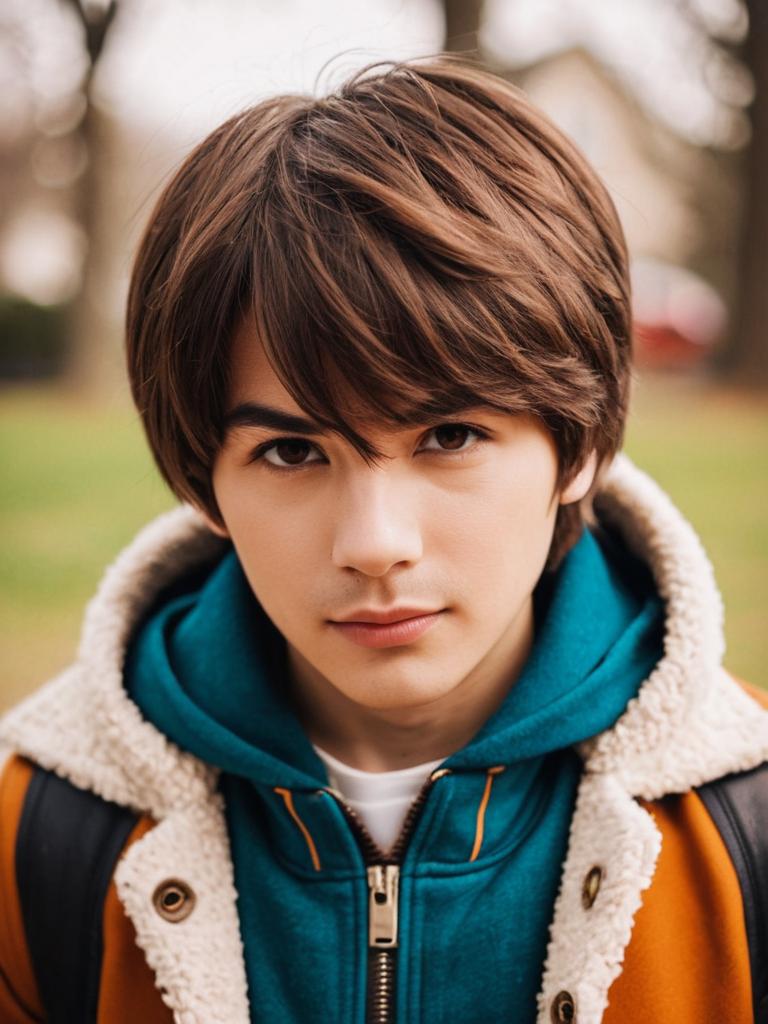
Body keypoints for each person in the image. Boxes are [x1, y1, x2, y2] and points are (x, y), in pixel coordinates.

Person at [1, 57, 766, 1024]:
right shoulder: (37, 827)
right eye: (290, 452)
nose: (374, 543)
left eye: (449, 437)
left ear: (580, 446)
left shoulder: (747, 819)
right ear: (203, 480)